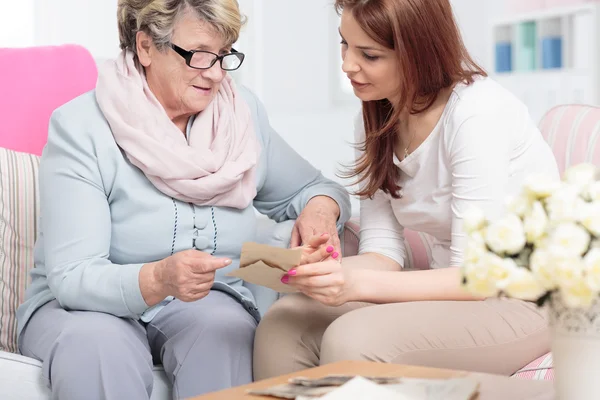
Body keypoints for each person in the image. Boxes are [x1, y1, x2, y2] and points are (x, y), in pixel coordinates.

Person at [16, 1, 350, 399]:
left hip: (203, 302)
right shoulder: (82, 127)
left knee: (224, 331)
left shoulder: (241, 116)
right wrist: (158, 278)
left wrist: (320, 212)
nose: (214, 73)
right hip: (85, 308)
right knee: (99, 348)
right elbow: (73, 275)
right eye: (199, 55)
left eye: (224, 56)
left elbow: (315, 189)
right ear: (145, 47)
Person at [253, 0, 559, 380]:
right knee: (286, 320)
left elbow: (475, 277)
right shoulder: (375, 117)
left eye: (370, 55)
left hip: (524, 300)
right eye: (344, 45)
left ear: (418, 53)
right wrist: (323, 270)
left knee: (353, 340)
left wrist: (353, 282)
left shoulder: (477, 114)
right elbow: (383, 253)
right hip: (452, 293)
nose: (348, 65)